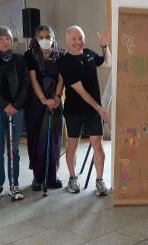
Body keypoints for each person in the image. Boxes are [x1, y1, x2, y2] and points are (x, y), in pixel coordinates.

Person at [59, 25, 111, 196]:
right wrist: (99, 108)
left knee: (98, 145)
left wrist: (104, 46)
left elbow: (108, 63)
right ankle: (73, 178)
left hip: (93, 111)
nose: (77, 42)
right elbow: (81, 92)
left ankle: (100, 181)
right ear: (67, 41)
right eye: (73, 39)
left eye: (80, 38)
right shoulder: (65, 62)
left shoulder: (89, 53)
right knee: (73, 145)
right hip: (75, 111)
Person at [0, 26, 29, 202]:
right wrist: (4, 105)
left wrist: (15, 105)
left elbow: (25, 84)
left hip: (16, 110)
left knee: (14, 149)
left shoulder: (19, 59)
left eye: (8, 38)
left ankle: (14, 184)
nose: (5, 42)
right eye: (1, 39)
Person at [24, 25, 65, 192]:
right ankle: (38, 176)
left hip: (55, 102)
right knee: (36, 140)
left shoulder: (60, 55)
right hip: (36, 102)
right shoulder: (30, 55)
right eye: (41, 36)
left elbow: (62, 78)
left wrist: (56, 97)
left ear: (53, 37)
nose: (45, 39)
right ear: (36, 39)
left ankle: (52, 176)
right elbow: (33, 79)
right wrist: (43, 100)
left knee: (54, 140)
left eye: (48, 36)